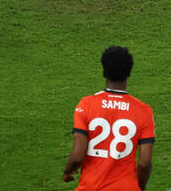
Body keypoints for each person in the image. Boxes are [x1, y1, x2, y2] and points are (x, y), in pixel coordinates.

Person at [62, 46, 155, 190]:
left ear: (104, 71)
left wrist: (67, 172)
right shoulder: (144, 111)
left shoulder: (86, 105)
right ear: (129, 73)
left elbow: (77, 156)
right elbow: (144, 163)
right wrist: (139, 187)